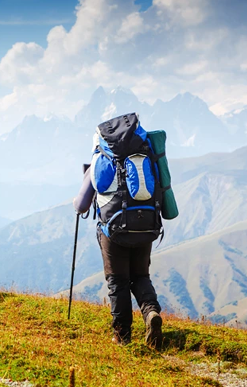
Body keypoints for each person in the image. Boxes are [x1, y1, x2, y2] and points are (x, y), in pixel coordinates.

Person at [73, 112, 164, 348]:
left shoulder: (100, 159)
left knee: (118, 281)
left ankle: (122, 336)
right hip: (147, 224)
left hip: (114, 231)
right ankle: (151, 313)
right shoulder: (146, 153)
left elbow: (81, 205)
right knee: (141, 276)